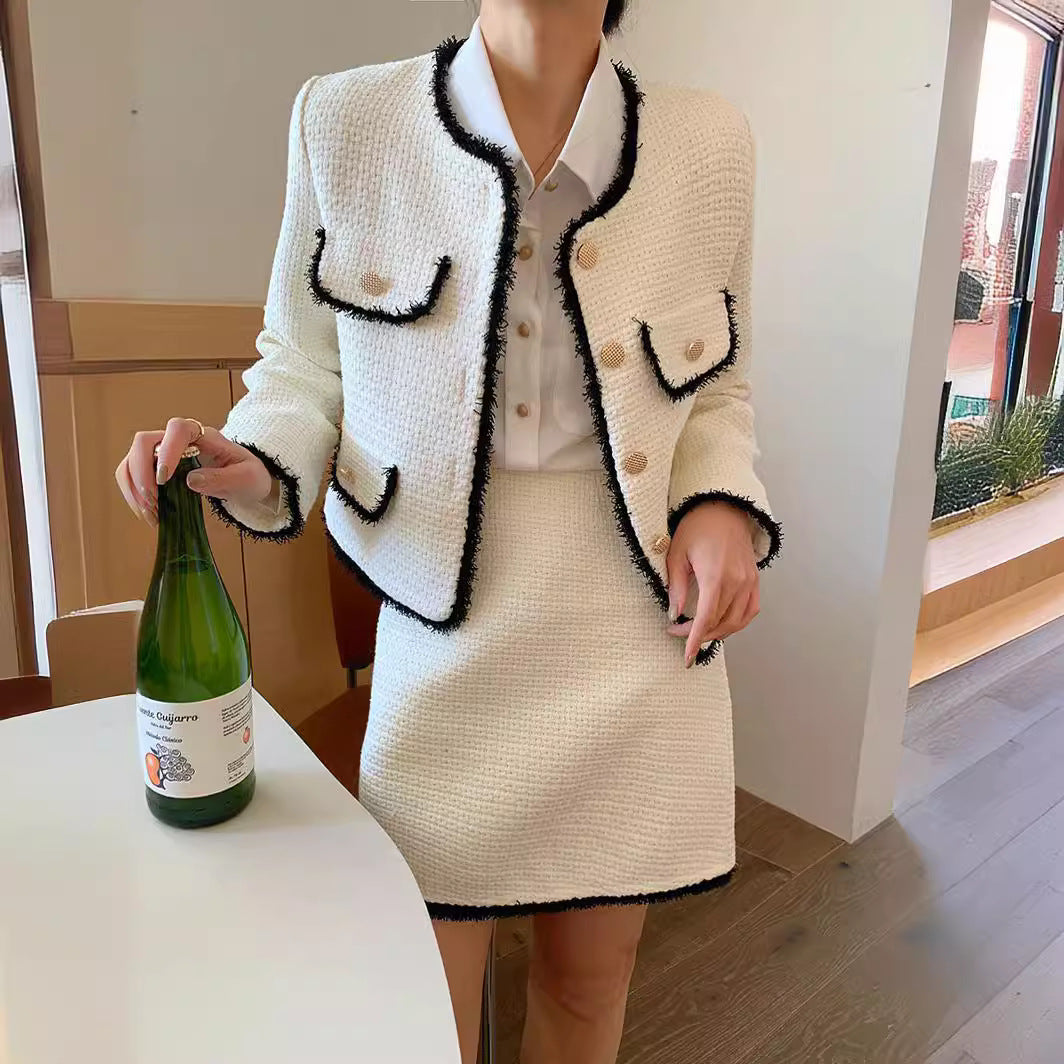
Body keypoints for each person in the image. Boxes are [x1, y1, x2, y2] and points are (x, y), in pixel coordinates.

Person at [115, 0, 781, 1059]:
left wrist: (719, 503)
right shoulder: (344, 121)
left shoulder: (709, 142)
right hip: (442, 633)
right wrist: (256, 454)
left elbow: (719, 388)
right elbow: (301, 363)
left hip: (636, 630)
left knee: (586, 989)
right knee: (421, 1013)